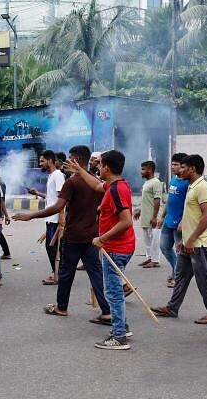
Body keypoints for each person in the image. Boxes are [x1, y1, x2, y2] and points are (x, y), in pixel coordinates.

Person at [13, 145, 110, 322]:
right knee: (95, 273)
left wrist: (30, 216)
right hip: (91, 236)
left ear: (78, 161)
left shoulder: (72, 182)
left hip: (73, 236)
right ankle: (106, 311)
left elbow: (58, 207)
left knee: (66, 273)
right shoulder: (96, 182)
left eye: (70, 158)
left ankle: (62, 307)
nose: (66, 161)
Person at [66, 150, 135, 350]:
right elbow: (96, 185)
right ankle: (122, 326)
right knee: (114, 291)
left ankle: (119, 336)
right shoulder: (116, 185)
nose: (97, 167)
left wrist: (101, 238)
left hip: (115, 248)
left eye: (99, 164)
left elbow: (126, 221)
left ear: (106, 167)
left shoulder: (116, 190)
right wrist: (80, 170)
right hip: (119, 246)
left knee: (113, 292)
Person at [151, 155, 207, 325]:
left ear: (192, 169)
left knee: (204, 278)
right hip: (189, 242)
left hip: (198, 243)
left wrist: (191, 240)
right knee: (181, 275)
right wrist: (185, 240)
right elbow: (192, 215)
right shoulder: (192, 185)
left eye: (183, 167)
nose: (180, 170)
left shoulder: (203, 187)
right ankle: (172, 307)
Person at [29, 150, 66, 285]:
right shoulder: (52, 176)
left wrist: (62, 218)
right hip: (51, 218)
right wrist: (37, 193)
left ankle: (57, 275)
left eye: (42, 161)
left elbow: (63, 198)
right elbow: (52, 198)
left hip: (56, 219)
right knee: (51, 247)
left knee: (53, 248)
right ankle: (57, 273)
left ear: (50, 161)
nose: (40, 164)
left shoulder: (58, 175)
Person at [157, 153, 189, 288]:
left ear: (183, 167)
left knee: (180, 251)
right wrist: (162, 216)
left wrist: (183, 220)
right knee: (164, 247)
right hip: (168, 221)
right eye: (172, 164)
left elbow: (189, 205)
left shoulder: (188, 183)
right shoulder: (173, 180)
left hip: (179, 224)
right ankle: (177, 271)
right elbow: (169, 200)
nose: (173, 167)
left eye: (176, 165)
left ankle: (178, 275)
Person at [133, 161, 162, 268]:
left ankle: (155, 260)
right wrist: (139, 210)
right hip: (145, 217)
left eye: (143, 169)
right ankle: (149, 257)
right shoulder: (147, 183)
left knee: (154, 239)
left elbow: (157, 200)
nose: (141, 172)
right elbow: (147, 200)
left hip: (153, 218)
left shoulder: (156, 182)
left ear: (149, 170)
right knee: (147, 239)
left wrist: (155, 217)